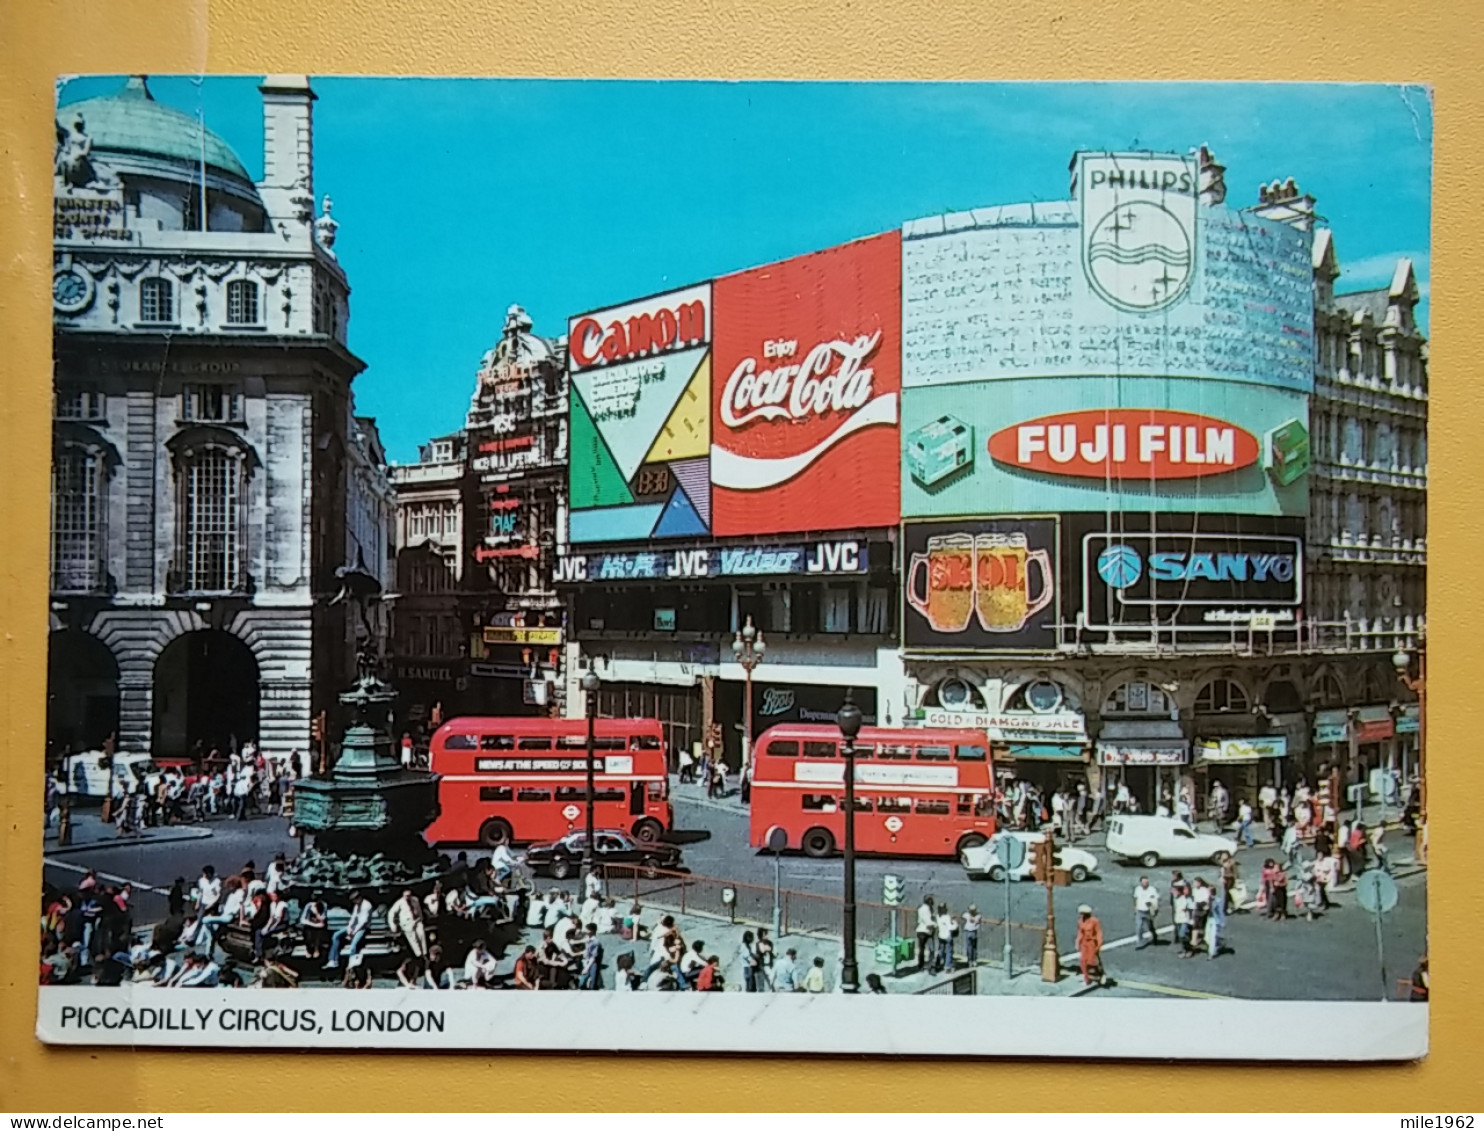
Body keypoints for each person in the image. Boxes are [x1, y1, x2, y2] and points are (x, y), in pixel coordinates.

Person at [324, 890, 373, 970]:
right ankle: (333, 960)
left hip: (362, 928)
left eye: (355, 900)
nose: (354, 903)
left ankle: (351, 964)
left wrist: (353, 932)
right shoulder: (357, 905)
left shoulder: (367, 906)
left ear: (359, 898)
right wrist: (349, 927)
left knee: (353, 944)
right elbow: (353, 917)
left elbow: (363, 922)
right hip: (354, 927)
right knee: (336, 935)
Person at [388, 888, 427, 959]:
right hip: (407, 923)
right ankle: (418, 955)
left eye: (409, 895)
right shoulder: (399, 903)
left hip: (416, 921)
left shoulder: (415, 900)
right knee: (413, 939)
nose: (407, 897)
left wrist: (421, 918)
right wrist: (393, 926)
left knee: (421, 934)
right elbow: (391, 913)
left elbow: (419, 909)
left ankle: (425, 953)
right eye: (406, 896)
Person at [1076, 905, 1106, 986]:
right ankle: (1086, 978)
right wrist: (1078, 942)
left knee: (1092, 961)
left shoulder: (1094, 921)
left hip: (1092, 943)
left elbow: (1098, 933)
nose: (1082, 915)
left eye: (1083, 913)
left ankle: (1101, 974)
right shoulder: (1081, 921)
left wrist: (1099, 944)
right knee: (1083, 961)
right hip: (1084, 943)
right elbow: (1080, 932)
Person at [299, 893, 329, 961]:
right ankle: (308, 948)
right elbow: (302, 920)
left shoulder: (324, 905)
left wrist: (316, 913)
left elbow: (323, 919)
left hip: (319, 925)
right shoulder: (308, 905)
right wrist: (314, 925)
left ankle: (316, 948)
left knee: (319, 930)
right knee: (308, 931)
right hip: (309, 925)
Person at [1134, 876, 1161, 948]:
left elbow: (1156, 899)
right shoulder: (1137, 889)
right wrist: (1135, 908)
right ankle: (1140, 940)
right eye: (1143, 882)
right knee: (1138, 926)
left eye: (1146, 882)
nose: (1145, 884)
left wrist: (1153, 906)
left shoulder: (1152, 889)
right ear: (1140, 882)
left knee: (1150, 927)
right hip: (1140, 911)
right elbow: (1136, 898)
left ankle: (1154, 936)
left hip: (1148, 912)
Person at [578, 923, 605, 990]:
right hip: (587, 961)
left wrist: (587, 968)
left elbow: (593, 957)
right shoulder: (589, 939)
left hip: (592, 963)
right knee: (583, 981)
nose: (585, 931)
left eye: (587, 929)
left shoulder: (595, 942)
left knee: (592, 982)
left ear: (591, 931)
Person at [915, 895, 936, 972]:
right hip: (927, 931)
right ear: (929, 901)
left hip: (920, 930)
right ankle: (931, 966)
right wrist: (935, 924)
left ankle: (921, 965)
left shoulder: (921, 908)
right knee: (931, 949)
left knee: (921, 949)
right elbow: (928, 922)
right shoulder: (926, 909)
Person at [935, 902, 957, 972]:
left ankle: (937, 964)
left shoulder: (937, 916)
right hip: (947, 936)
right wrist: (955, 923)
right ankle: (947, 966)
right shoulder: (947, 917)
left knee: (940, 950)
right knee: (949, 951)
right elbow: (951, 927)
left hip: (941, 935)